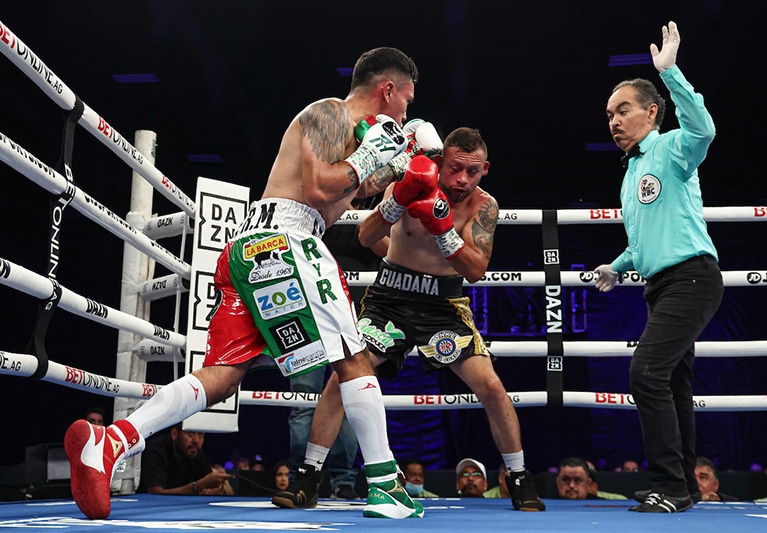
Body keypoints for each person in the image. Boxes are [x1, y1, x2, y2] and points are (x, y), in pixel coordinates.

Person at [65, 46, 426, 520]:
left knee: (223, 374)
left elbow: (352, 185)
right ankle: (386, 486)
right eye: (408, 100)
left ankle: (112, 442)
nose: (407, 111)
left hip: (255, 250)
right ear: (389, 89)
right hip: (288, 241)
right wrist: (375, 156)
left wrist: (400, 163)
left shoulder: (352, 133)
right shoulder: (330, 113)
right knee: (353, 357)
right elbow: (321, 188)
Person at [293, 127, 545, 513]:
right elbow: (364, 235)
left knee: (492, 387)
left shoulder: (484, 206)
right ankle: (308, 476)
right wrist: (396, 205)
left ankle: (519, 476)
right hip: (389, 300)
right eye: (455, 169)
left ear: (485, 170)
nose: (462, 180)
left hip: (443, 305)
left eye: (472, 172)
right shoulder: (409, 177)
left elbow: (476, 270)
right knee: (340, 380)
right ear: (441, 162)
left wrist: (443, 230)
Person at [593, 21, 724, 514]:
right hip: (665, 284)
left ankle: (667, 485)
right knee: (671, 382)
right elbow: (645, 242)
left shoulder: (671, 148)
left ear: (651, 112)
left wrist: (671, 75)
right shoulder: (631, 175)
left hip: (691, 279)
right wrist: (618, 264)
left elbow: (704, 128)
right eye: (608, 114)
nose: (613, 120)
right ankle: (684, 488)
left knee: (646, 371)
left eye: (623, 110)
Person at [286, 195, 387, 501]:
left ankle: (343, 480)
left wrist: (356, 215)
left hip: (351, 313)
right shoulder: (312, 208)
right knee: (303, 399)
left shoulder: (373, 217)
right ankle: (300, 477)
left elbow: (381, 255)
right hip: (306, 307)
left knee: (349, 398)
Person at [136, 423, 233, 495]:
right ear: (174, 434)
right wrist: (197, 486)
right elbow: (156, 493)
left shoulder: (193, 451)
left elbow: (209, 483)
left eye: (201, 435)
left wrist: (213, 488)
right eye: (191, 433)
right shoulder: (155, 450)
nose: (196, 440)